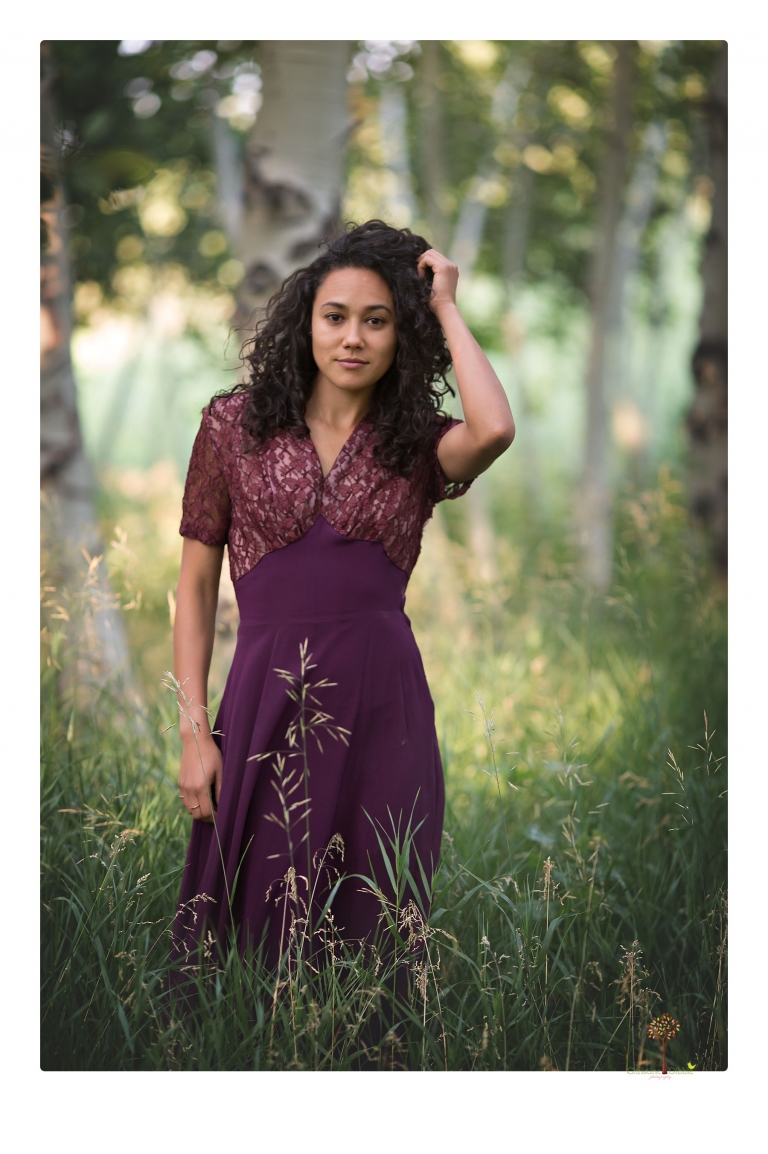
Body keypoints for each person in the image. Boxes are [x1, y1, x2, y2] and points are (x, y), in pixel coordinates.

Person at [172, 220, 515, 972]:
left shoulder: (416, 442)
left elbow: (493, 428)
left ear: (403, 335)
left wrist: (448, 307)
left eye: (377, 320)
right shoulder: (234, 427)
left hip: (382, 709)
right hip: (263, 703)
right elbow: (195, 587)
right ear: (306, 323)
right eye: (336, 317)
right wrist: (196, 733)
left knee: (372, 928)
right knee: (251, 932)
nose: (353, 338)